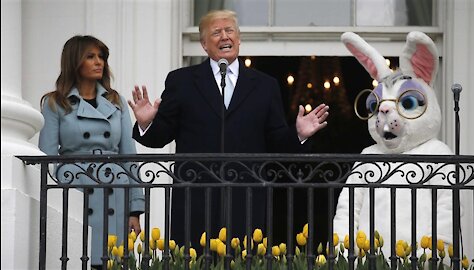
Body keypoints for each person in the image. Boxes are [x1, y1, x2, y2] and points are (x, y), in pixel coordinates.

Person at [128, 10, 329, 249]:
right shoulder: (181, 81)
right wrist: (146, 123)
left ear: (239, 38)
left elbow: (276, 141)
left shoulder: (265, 85)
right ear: (204, 44)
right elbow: (160, 136)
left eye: (229, 31)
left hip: (247, 197)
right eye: (216, 32)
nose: (225, 37)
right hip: (195, 197)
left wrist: (298, 135)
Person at [38, 35, 145, 269]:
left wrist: (135, 209)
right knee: (76, 258)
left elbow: (129, 155)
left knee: (112, 262)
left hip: (114, 192)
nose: (99, 62)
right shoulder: (55, 103)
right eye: (90, 56)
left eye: (101, 57)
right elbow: (46, 158)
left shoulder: (116, 102)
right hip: (75, 189)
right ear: (74, 62)